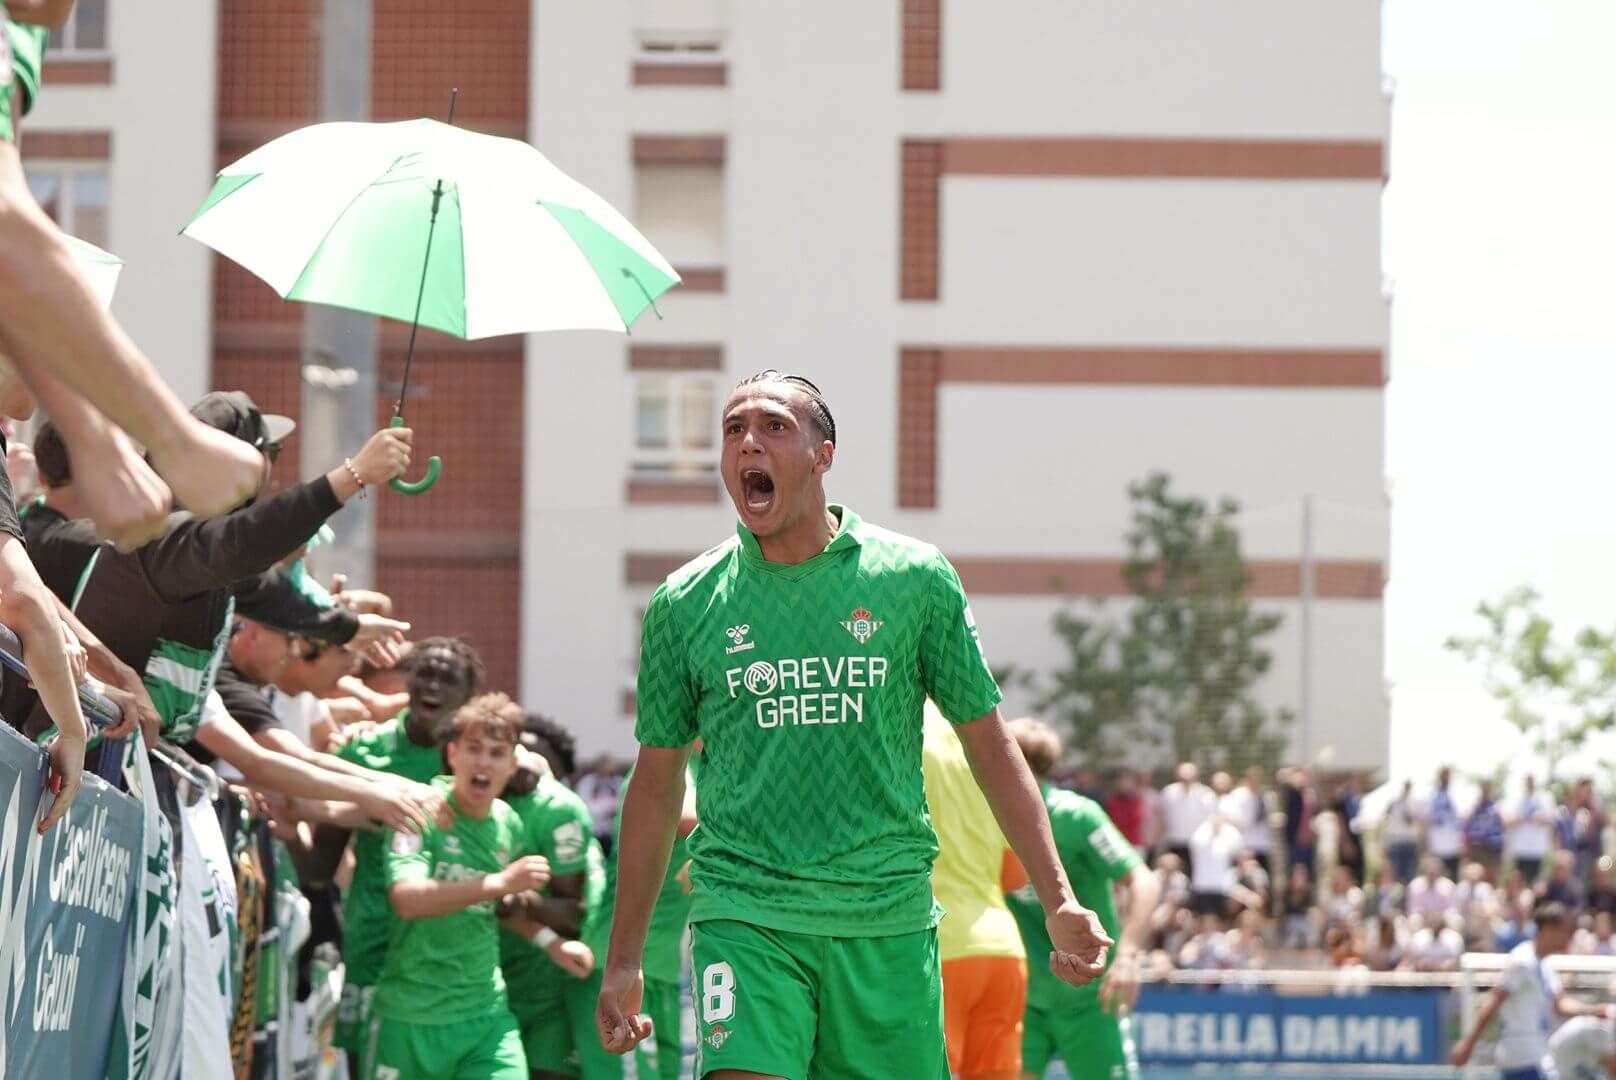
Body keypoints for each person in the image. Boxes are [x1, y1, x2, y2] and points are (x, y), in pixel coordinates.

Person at [596, 371, 1112, 1079]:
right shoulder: (684, 602)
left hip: (887, 922)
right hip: (746, 913)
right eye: (733, 429)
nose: (749, 441)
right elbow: (655, 784)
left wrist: (1058, 899)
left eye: (775, 426)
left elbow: (990, 744)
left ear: (823, 455)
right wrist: (623, 960)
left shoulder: (914, 578)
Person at [368, 693, 553, 1080]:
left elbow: (495, 907)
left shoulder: (507, 822)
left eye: (496, 752)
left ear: (511, 765)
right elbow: (407, 899)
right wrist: (499, 882)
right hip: (414, 1016)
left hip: (485, 1017)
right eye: (473, 749)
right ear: (452, 754)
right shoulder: (421, 811)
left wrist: (549, 942)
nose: (483, 762)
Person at [327, 637, 484, 1075]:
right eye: (425, 672)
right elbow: (324, 855)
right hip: (373, 941)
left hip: (450, 956)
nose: (433, 684)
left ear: (467, 697)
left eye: (447, 677)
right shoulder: (364, 751)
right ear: (408, 681)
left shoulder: (477, 763)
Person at [1007, 718, 1159, 1080]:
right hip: (1024, 1000)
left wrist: (1128, 958)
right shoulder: (986, 817)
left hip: (1092, 998)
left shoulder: (1077, 817)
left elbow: (1144, 881)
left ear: (1022, 762)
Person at [566, 748, 699, 1080]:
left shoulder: (711, 763)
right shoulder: (670, 761)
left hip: (663, 969)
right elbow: (684, 818)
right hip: (619, 967)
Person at [494, 713, 603, 1080]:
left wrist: (518, 898)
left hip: (550, 993)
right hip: (486, 987)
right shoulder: (478, 802)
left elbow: (575, 914)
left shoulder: (563, 816)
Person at [923, 703, 1028, 1080]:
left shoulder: (897, 727)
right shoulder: (984, 736)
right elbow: (1016, 874)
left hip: (933, 946)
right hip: (1002, 948)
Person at [1452, 901, 1614, 1077]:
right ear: (1548, 930)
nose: (1567, 938)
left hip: (1537, 1056)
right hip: (1522, 1056)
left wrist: (1593, 1010)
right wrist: (1468, 1043)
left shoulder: (1546, 965)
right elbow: (1493, 1001)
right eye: (1564, 931)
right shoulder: (1522, 960)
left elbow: (1560, 1005)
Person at [1159, 763, 1216, 869]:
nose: (1186, 779)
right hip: (1174, 841)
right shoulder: (1168, 792)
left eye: (1189, 776)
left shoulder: (1206, 794)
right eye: (1183, 776)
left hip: (1197, 843)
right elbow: (1162, 815)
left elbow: (1211, 819)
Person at [1222, 766, 1273, 875]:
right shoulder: (1237, 795)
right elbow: (1231, 817)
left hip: (1262, 844)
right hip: (1243, 843)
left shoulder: (1265, 796)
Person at [1508, 776, 1556, 884]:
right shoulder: (1517, 799)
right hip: (1520, 850)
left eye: (1532, 780)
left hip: (1538, 851)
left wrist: (1539, 818)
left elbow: (1551, 819)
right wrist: (1522, 819)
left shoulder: (1545, 798)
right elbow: (1509, 820)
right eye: (1528, 780)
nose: (1530, 783)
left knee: (1537, 883)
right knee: (1518, 882)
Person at [1547, 1010, 1616, 1080]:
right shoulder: (1597, 1028)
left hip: (1562, 1069)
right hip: (1553, 1073)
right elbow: (1612, 1068)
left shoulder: (1589, 1025)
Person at [1426, 766, 1466, 879]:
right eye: (1443, 775)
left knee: (1454, 879)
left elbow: (1461, 820)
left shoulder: (1457, 795)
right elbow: (1427, 820)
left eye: (1448, 776)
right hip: (1437, 846)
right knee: (1437, 879)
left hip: (1454, 846)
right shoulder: (1432, 795)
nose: (1446, 778)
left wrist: (1462, 841)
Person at [1382, 780, 1422, 885]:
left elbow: (1413, 821)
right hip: (1396, 842)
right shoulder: (1393, 803)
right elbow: (1386, 821)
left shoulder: (1415, 803)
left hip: (1410, 843)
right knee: (1395, 876)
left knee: (1410, 876)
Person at [1468, 779, 1508, 880]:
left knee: (1493, 875)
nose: (1485, 791)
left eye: (1487, 789)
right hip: (1479, 846)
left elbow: (1504, 823)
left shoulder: (1497, 807)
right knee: (1478, 874)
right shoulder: (1475, 807)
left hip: (1494, 846)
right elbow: (1468, 823)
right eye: (1483, 789)